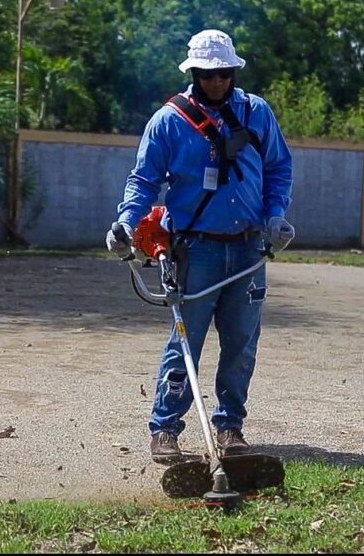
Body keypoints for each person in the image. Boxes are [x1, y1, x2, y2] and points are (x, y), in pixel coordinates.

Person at [105, 28, 295, 464]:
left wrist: (276, 215)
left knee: (242, 342)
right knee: (185, 343)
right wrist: (126, 223)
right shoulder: (169, 121)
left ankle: (230, 428)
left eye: (224, 73)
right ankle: (165, 430)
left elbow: (278, 169)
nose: (216, 82)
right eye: (208, 74)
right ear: (193, 72)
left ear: (233, 71)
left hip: (248, 250)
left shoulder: (256, 113)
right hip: (195, 251)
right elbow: (144, 180)